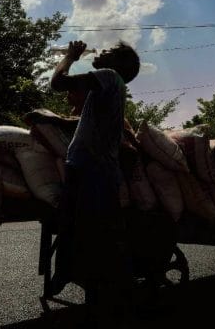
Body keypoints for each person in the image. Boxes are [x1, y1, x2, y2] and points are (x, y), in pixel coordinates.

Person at [49, 40, 140, 327]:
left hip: (95, 172)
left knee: (93, 239)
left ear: (117, 63)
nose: (100, 53)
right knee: (77, 231)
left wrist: (70, 56)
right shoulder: (108, 86)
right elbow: (88, 123)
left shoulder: (109, 77)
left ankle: (101, 301)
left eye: (108, 52)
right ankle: (72, 277)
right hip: (86, 169)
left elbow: (57, 82)